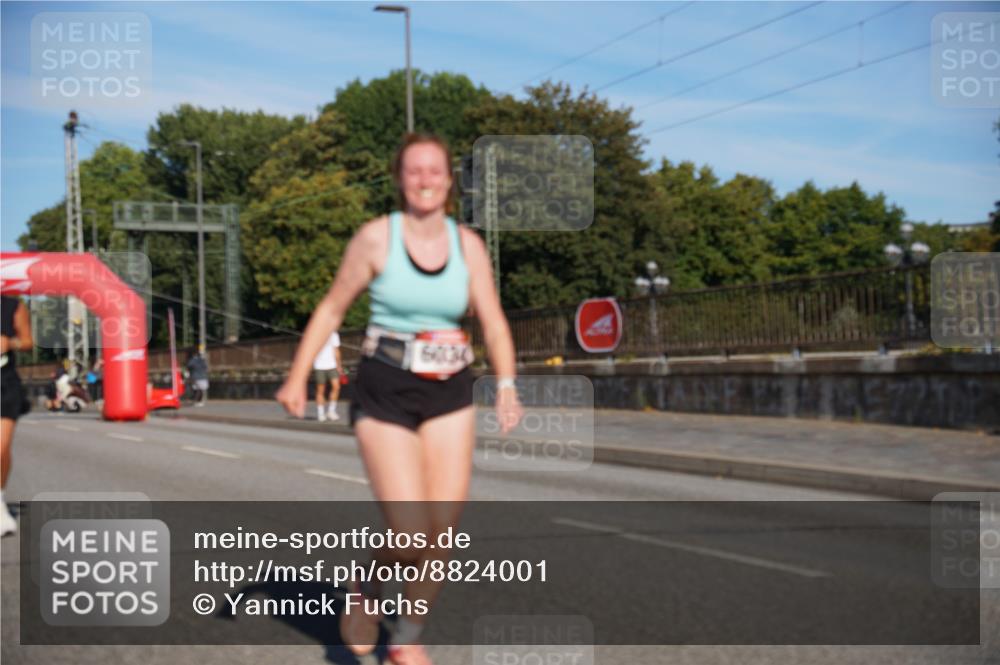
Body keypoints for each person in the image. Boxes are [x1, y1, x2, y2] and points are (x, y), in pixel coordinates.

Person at [276, 133, 523, 665]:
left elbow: (495, 322)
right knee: (411, 533)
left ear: (450, 180)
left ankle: (406, 638)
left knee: (443, 535)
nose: (426, 180)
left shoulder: (469, 246)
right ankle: (367, 585)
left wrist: (505, 385)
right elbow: (331, 309)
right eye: (414, 171)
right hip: (385, 386)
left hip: (451, 391)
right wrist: (297, 377)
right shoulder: (375, 239)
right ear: (399, 179)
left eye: (435, 170)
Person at [1, 295, 33, 536]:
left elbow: (27, 341)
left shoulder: (13, 305)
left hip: (5, 383)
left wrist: (10, 343)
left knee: (1, 447)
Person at [313, 330, 342, 422]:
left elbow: (336, 350)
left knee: (336, 387)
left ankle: (331, 411)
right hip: (319, 365)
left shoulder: (334, 334)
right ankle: (320, 413)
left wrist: (339, 365)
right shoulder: (315, 333)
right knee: (321, 390)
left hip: (332, 365)